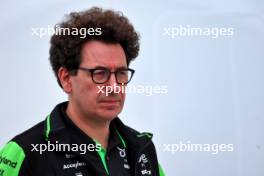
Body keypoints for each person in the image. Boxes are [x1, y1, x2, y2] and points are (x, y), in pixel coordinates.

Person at [0, 7, 165, 176]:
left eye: (121, 73)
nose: (114, 87)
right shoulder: (25, 153)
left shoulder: (142, 149)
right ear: (66, 78)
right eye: (100, 73)